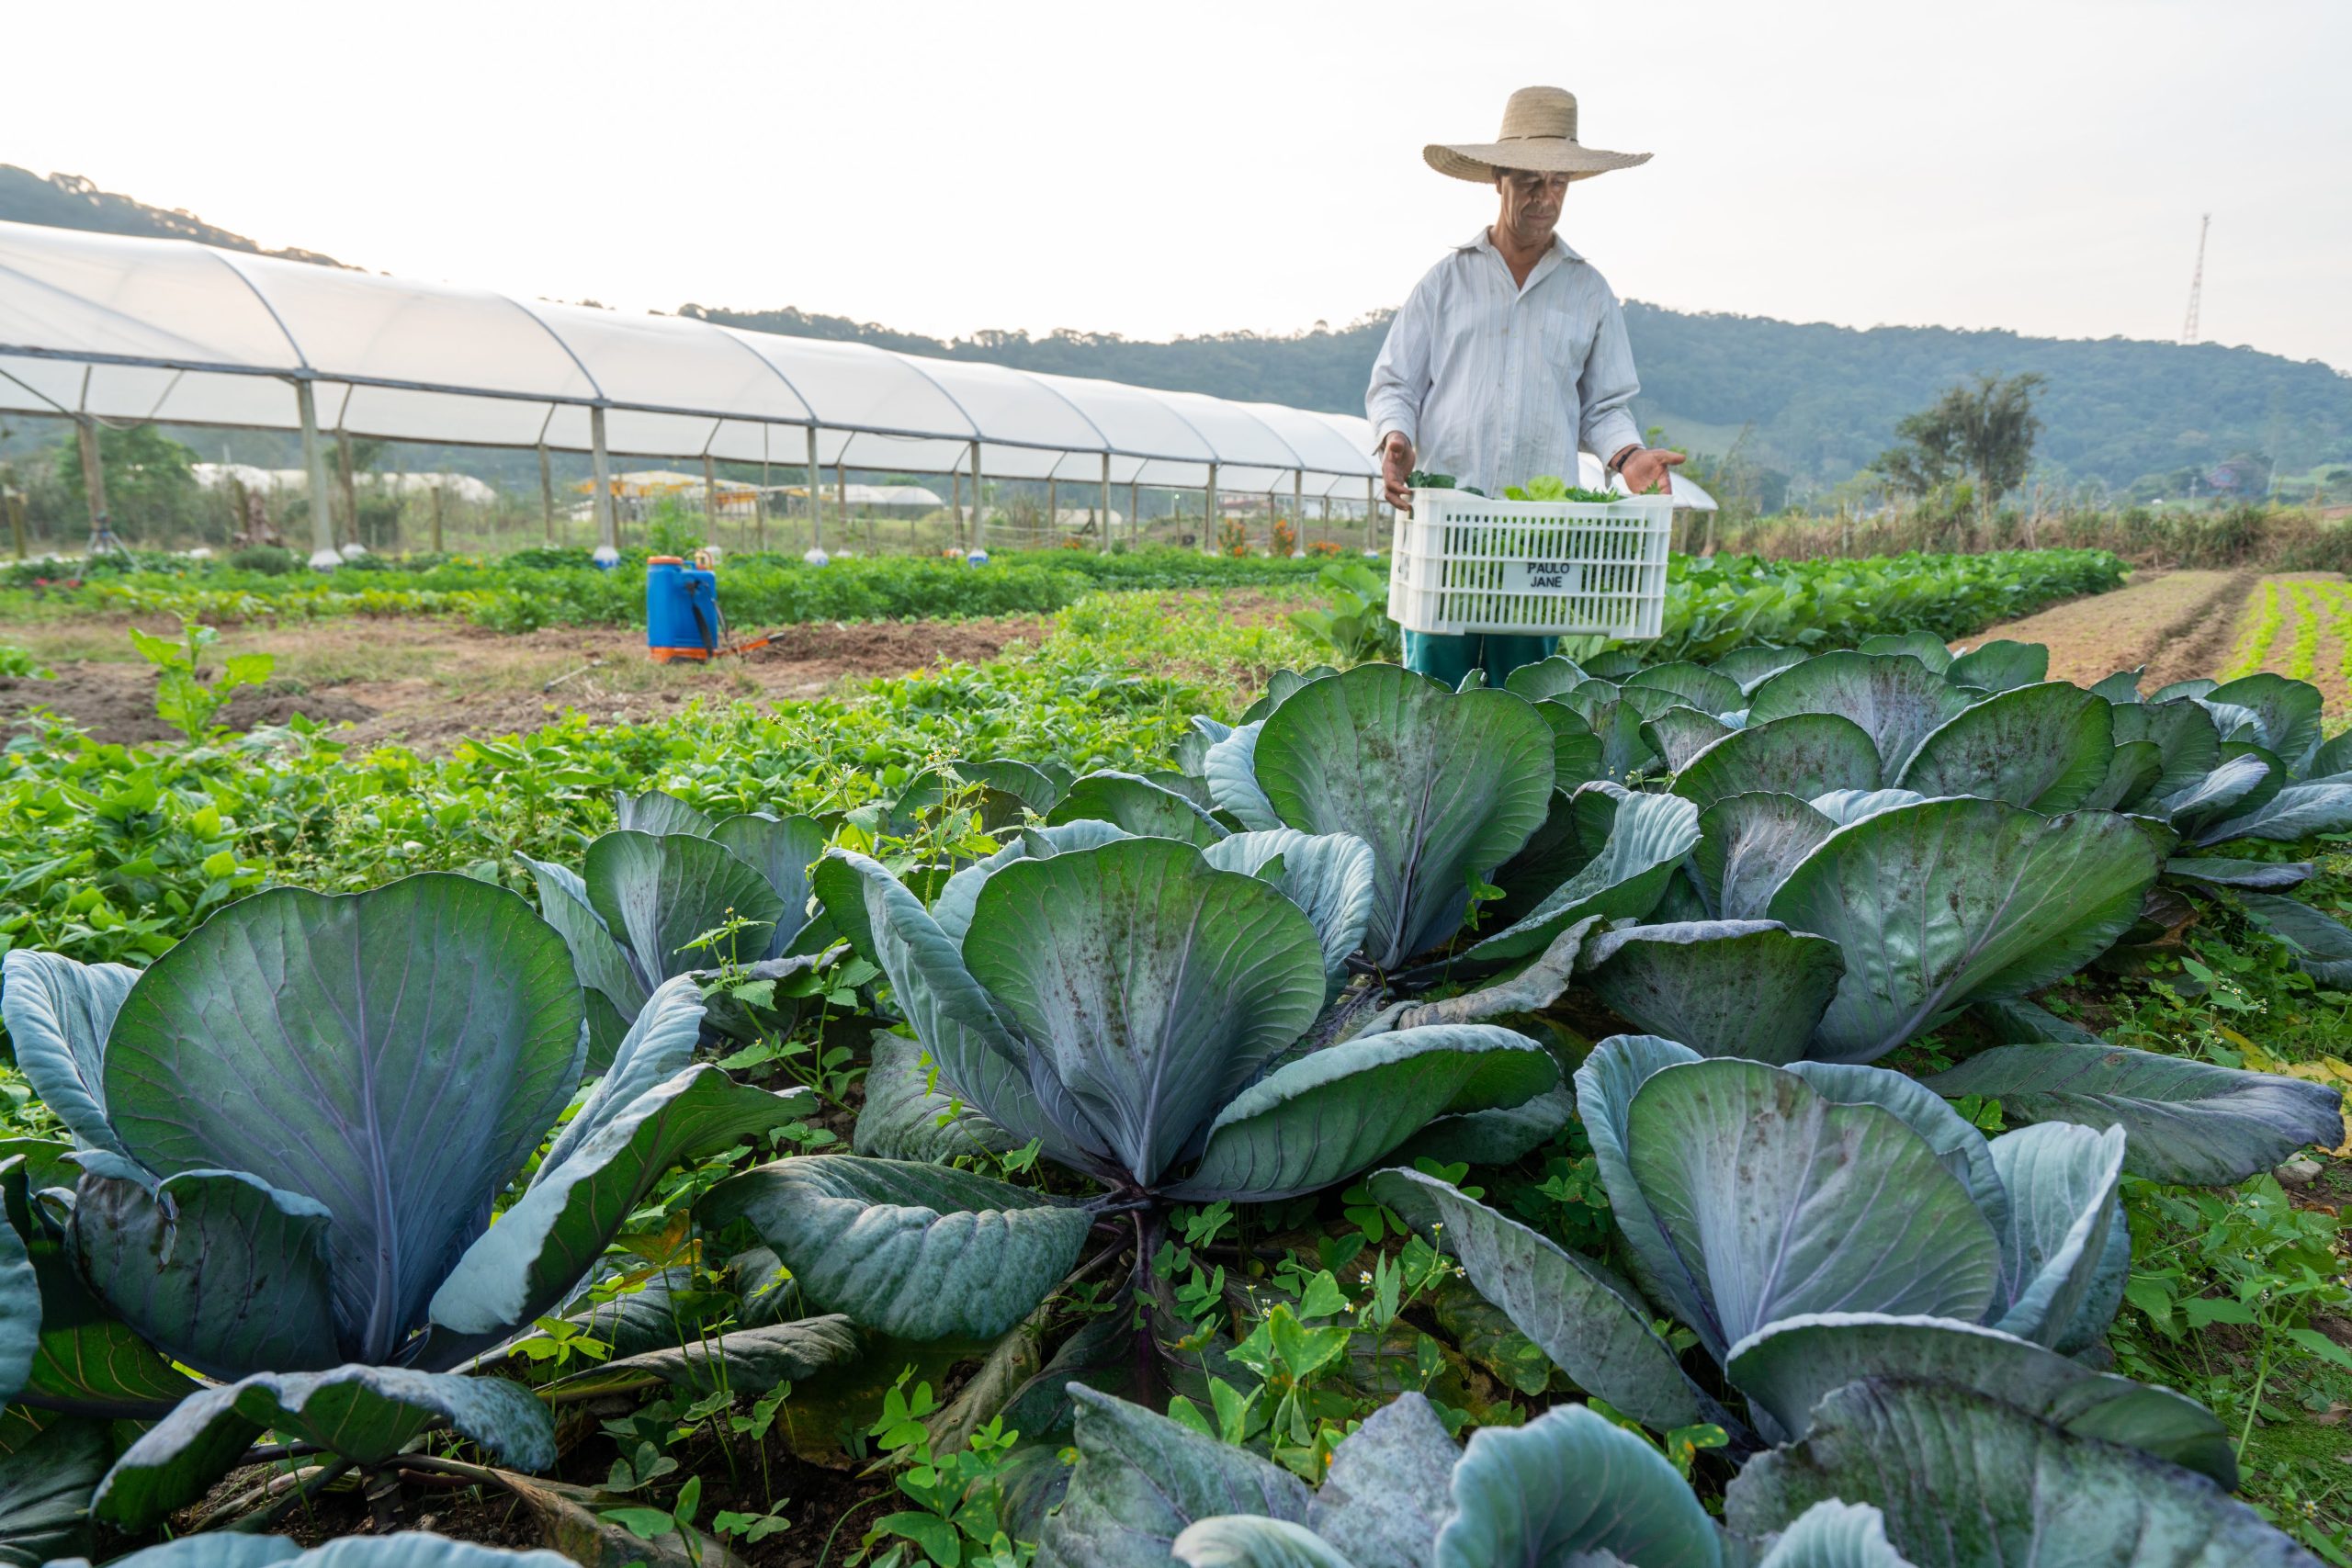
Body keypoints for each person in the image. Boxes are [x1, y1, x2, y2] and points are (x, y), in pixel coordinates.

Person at [1367, 85, 1685, 686]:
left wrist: (1630, 457)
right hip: (1448, 528)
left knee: (1529, 698)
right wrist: (1396, 438)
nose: (1545, 198)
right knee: (1434, 694)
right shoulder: (1447, 282)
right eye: (1530, 181)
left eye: (1558, 183)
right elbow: (1395, 384)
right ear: (1498, 179)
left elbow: (1604, 406)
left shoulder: (1587, 290)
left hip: (1539, 534)